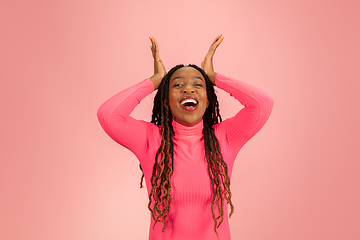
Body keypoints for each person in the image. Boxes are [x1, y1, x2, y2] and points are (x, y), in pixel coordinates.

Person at [97, 35, 274, 240]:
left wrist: (213, 76)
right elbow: (108, 116)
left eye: (198, 85)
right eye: (177, 85)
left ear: (207, 101)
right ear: (166, 101)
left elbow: (262, 105)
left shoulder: (224, 138)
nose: (188, 89)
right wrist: (154, 81)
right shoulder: (151, 140)